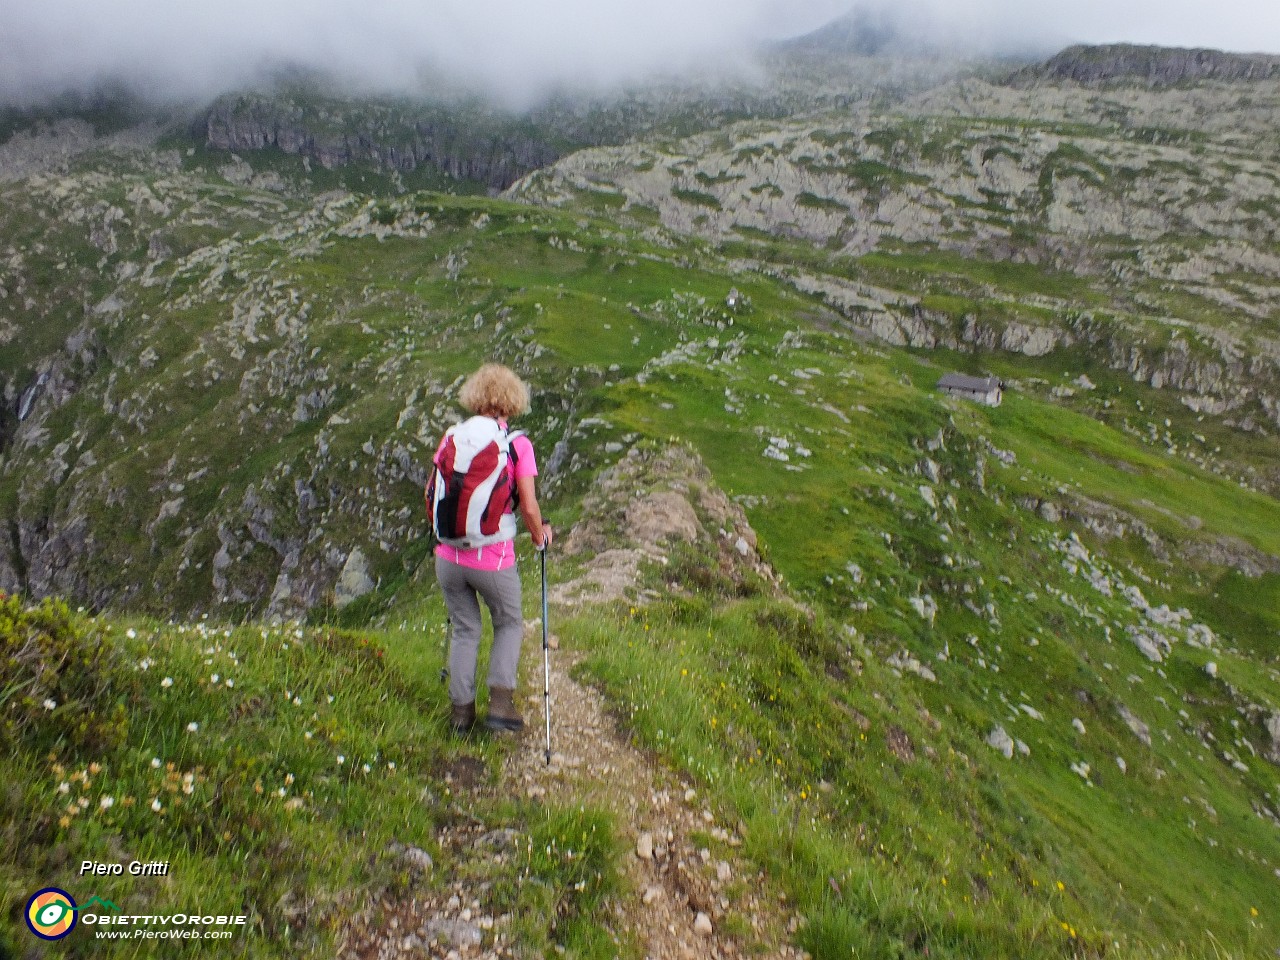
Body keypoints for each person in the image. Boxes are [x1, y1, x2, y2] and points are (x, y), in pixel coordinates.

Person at [433, 363, 552, 733]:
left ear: (475, 397)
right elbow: (529, 506)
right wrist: (539, 535)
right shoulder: (516, 444)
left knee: (466, 629)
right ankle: (500, 705)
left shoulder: (451, 436)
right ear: (511, 402)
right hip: (492, 558)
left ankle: (460, 716)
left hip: (448, 556)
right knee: (508, 623)